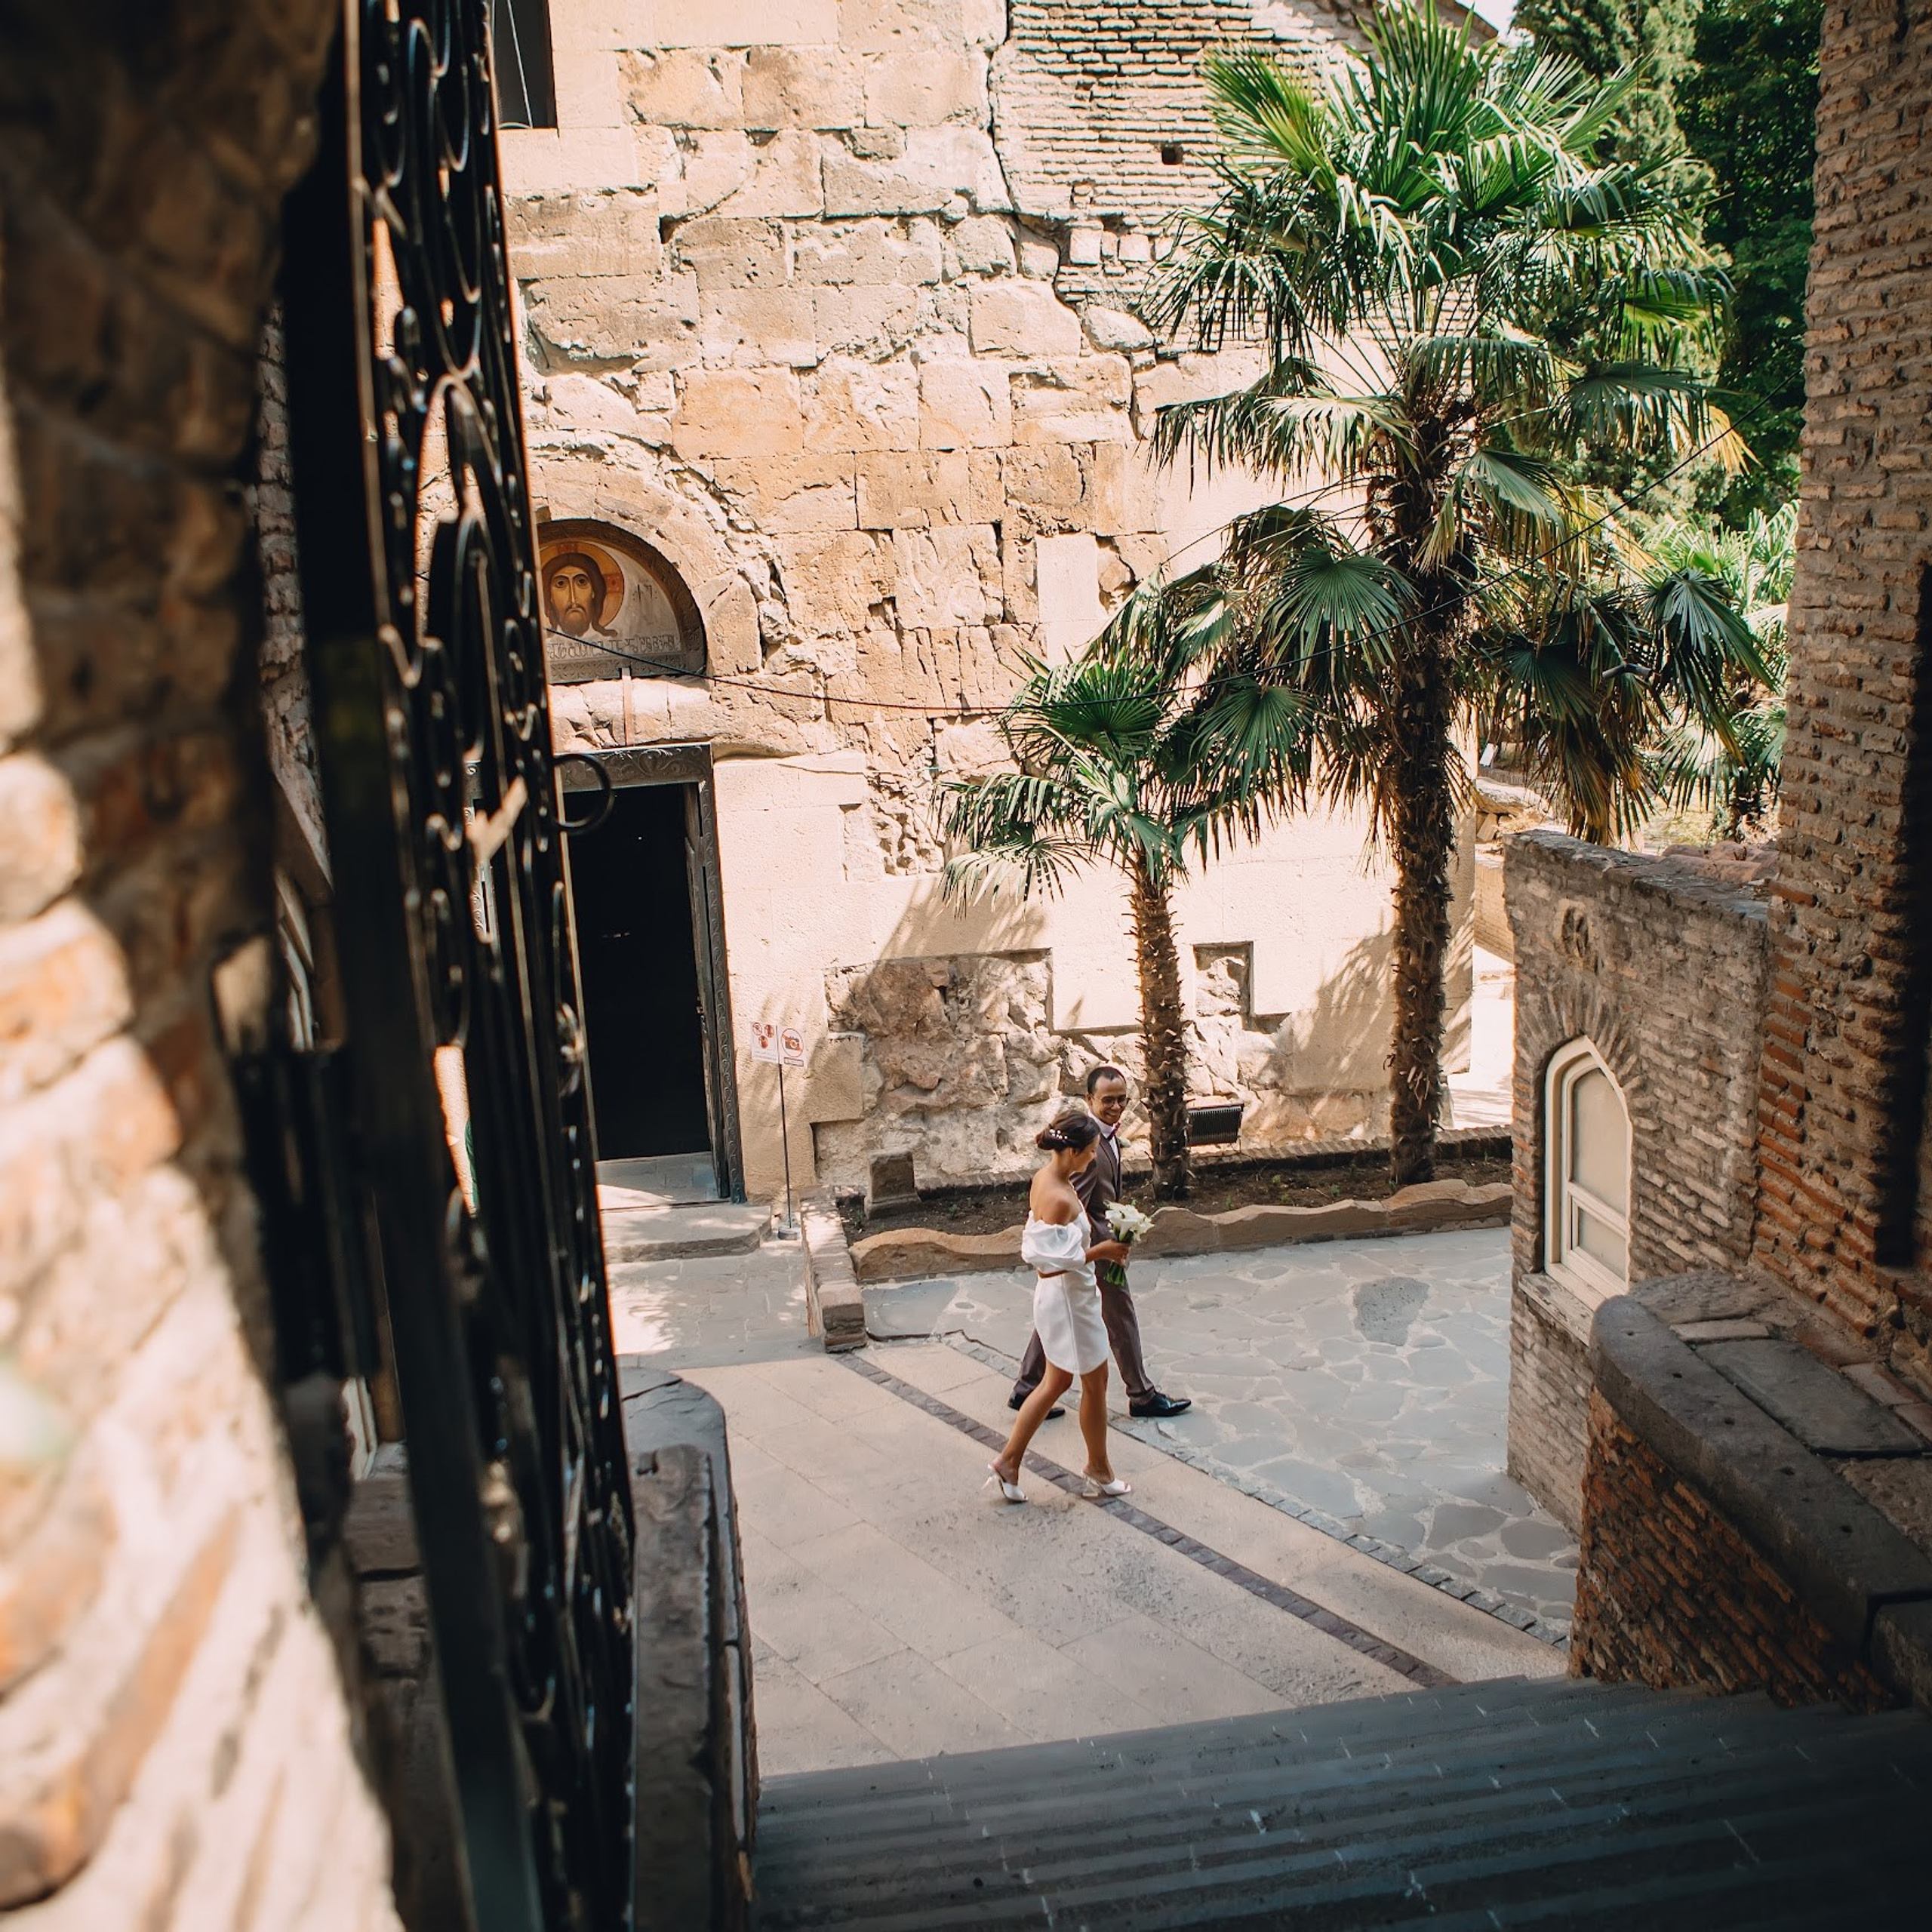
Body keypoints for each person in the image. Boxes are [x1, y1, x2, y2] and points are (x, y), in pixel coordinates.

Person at [1009, 1066, 1192, 1421]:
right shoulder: (1084, 1150)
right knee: (1120, 1318)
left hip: (1094, 1251)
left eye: (1122, 1099)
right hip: (1095, 1253)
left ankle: (1026, 1388)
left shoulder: (1103, 1139)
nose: (1116, 1107)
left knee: (1058, 1314)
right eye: (1107, 1100)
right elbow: (1071, 1210)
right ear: (1089, 1099)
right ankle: (1141, 1395)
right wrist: (1107, 1246)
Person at [985, 1112, 1134, 1505]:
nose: (1092, 1160)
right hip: (1066, 1299)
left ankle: (1016, 1461)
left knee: (1074, 1381)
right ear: (1070, 1151)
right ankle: (1091, 1468)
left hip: (1071, 1297)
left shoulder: (1050, 1178)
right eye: (1088, 1153)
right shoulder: (1058, 1197)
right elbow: (1048, 1258)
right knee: (1077, 1381)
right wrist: (1104, 1250)